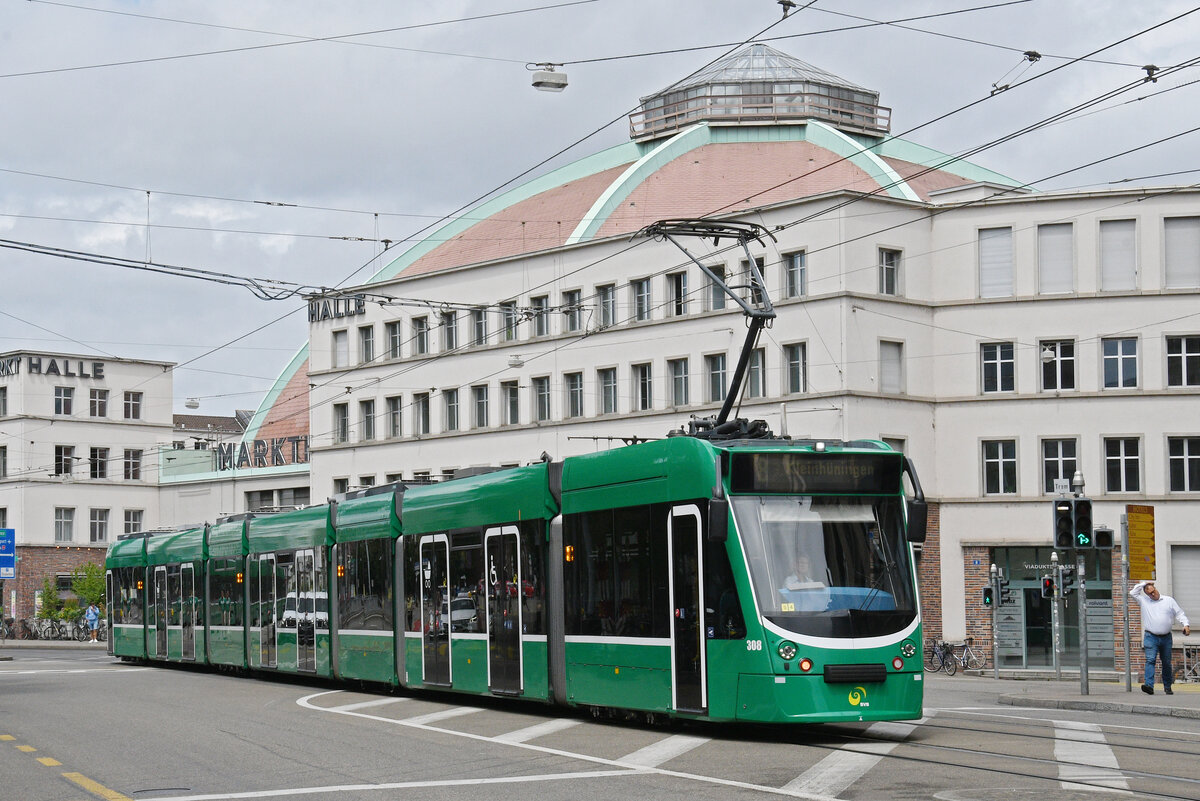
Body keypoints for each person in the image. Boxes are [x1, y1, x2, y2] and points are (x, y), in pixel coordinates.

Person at [1131, 580, 1191, 695]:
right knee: (1150, 660)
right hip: (1150, 636)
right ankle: (1149, 686)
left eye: (1153, 591)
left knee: (1166, 662)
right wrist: (1144, 584)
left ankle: (1167, 686)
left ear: (1156, 588)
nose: (1153, 594)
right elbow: (1132, 593)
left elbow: (1179, 613)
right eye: (1150, 593)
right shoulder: (1144, 601)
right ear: (1147, 595)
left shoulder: (1168, 600)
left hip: (1166, 637)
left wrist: (1186, 625)